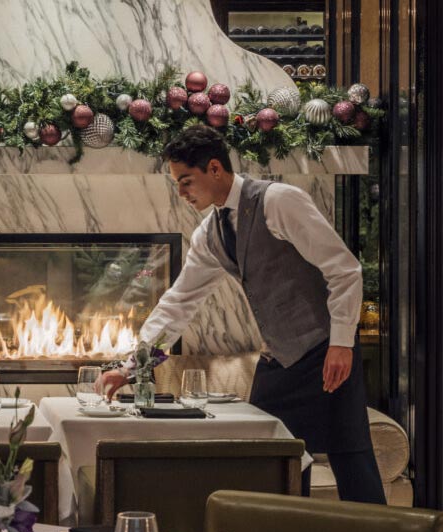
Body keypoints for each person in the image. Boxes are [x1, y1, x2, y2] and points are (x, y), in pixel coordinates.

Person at [102, 125, 386, 504]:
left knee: (351, 460)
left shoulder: (280, 201)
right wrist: (131, 367)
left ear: (215, 168)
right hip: (280, 359)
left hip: (326, 351)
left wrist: (341, 343)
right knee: (269, 462)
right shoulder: (210, 233)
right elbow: (179, 301)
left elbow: (344, 269)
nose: (181, 193)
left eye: (186, 181)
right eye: (177, 184)